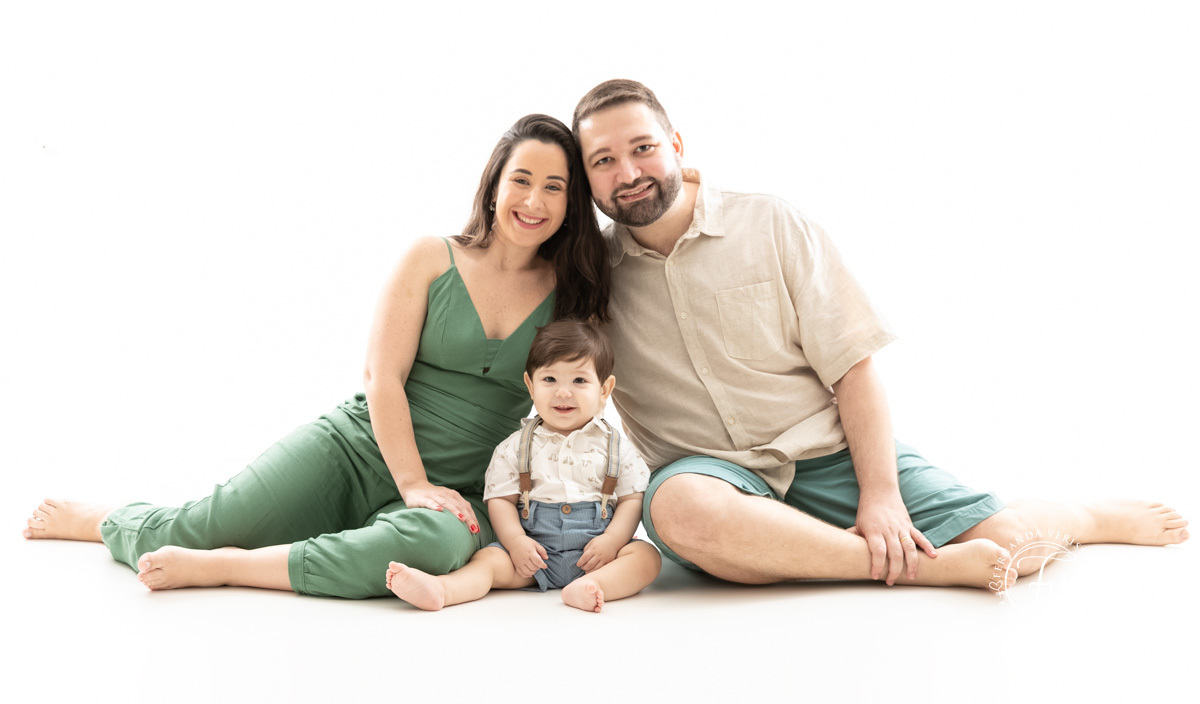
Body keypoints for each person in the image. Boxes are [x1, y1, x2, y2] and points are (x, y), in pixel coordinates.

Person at [571, 79, 1190, 590]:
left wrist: (882, 496)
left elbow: (853, 367)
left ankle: (1084, 517)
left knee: (1009, 547)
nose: (628, 172)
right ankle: (921, 569)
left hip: (830, 455)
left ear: (676, 144)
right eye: (603, 161)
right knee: (679, 508)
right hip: (714, 484)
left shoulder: (769, 225)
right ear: (587, 179)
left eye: (643, 148)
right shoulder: (588, 279)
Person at [22, 113, 613, 599]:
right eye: (521, 180)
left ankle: (231, 567)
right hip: (357, 446)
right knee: (198, 527)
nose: (533, 200)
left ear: (571, 203)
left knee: (433, 549)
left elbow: (583, 398)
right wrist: (410, 481)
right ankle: (106, 520)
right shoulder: (431, 258)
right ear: (494, 185)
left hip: (461, 485)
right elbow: (382, 375)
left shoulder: (572, 296)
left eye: (554, 187)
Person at [385, 318, 660, 613]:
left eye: (579, 381)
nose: (563, 392)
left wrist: (612, 541)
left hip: (598, 556)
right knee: (488, 561)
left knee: (646, 556)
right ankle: (443, 589)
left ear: (604, 389)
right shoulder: (515, 447)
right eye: (550, 379)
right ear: (530, 385)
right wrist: (516, 543)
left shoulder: (617, 447)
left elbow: (632, 499)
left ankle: (592, 586)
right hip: (532, 557)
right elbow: (501, 500)